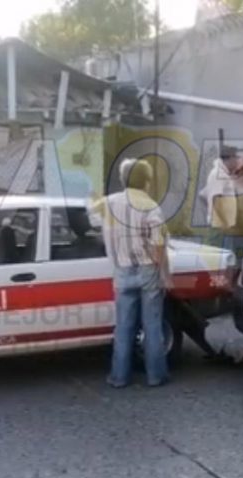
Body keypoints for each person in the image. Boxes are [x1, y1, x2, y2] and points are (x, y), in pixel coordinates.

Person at [95, 158, 171, 388]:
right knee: (152, 325)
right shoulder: (151, 206)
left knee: (124, 326)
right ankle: (155, 376)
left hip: (122, 269)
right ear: (145, 180)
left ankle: (119, 377)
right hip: (148, 268)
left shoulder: (106, 204)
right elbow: (158, 243)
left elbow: (92, 225)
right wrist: (161, 273)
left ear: (123, 178)